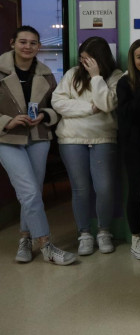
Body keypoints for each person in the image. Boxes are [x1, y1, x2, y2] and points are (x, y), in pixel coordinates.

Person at [0, 25, 75, 265]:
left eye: (33, 43)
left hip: (38, 137)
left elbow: (55, 106)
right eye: (23, 41)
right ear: (12, 42)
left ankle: (24, 238)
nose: (28, 47)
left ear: (38, 47)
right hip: (7, 139)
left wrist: (44, 114)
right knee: (30, 192)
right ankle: (46, 245)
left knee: (31, 192)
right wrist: (8, 121)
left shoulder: (45, 73)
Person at [52, 36, 122, 256]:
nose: (84, 63)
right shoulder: (72, 74)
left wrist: (96, 77)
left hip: (104, 138)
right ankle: (84, 233)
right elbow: (58, 102)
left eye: (89, 59)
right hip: (72, 139)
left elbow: (107, 104)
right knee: (80, 189)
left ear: (100, 59)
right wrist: (89, 109)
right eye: (82, 58)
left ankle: (104, 231)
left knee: (104, 188)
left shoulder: (116, 76)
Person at [116, 39, 140, 260]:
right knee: (136, 192)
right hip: (134, 145)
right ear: (133, 59)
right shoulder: (125, 82)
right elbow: (129, 113)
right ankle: (136, 239)